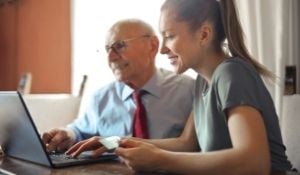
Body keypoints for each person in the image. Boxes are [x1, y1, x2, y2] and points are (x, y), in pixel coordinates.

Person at [66, 0, 294, 174]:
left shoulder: (231, 73)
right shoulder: (203, 82)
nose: (162, 49)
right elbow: (186, 143)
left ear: (204, 34)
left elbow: (255, 162)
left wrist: (159, 159)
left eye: (170, 36)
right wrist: (114, 142)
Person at [42, 19, 194, 152]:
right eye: (108, 49)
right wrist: (67, 134)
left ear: (152, 46)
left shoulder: (188, 91)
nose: (111, 57)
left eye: (119, 46)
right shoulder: (100, 98)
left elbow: (195, 146)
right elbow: (80, 130)